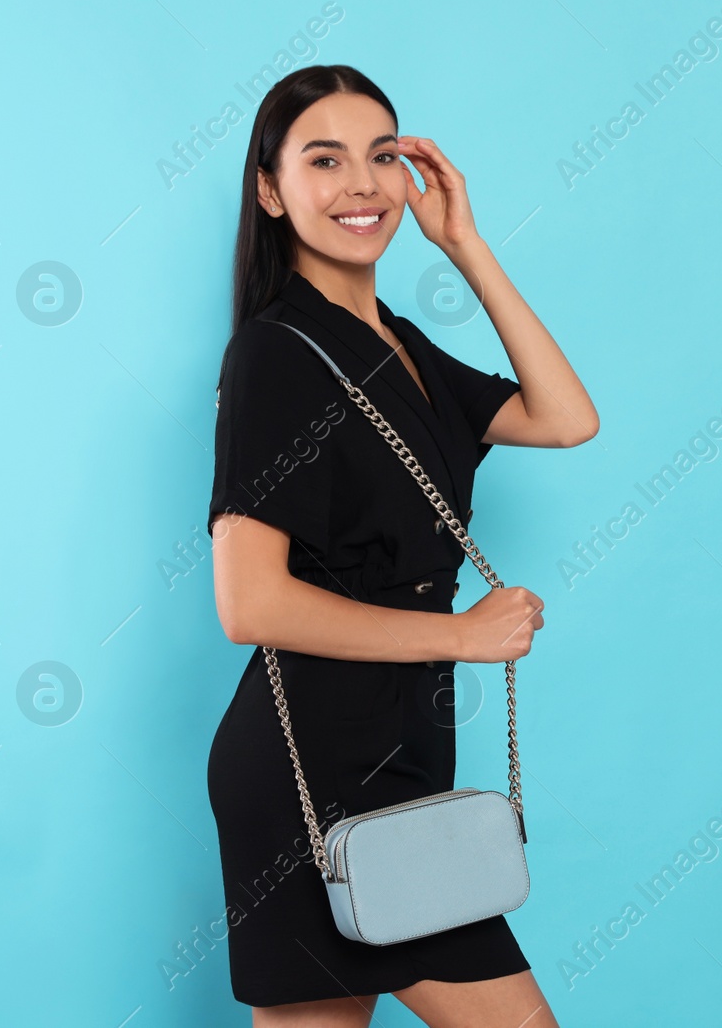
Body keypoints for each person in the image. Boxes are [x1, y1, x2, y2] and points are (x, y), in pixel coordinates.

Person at [205, 64, 597, 1027]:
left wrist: (464, 246)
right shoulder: (275, 354)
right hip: (310, 764)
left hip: (402, 753)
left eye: (381, 156)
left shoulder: (400, 342)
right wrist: (460, 637)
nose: (362, 185)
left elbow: (565, 416)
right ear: (270, 188)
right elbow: (247, 604)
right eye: (324, 159)